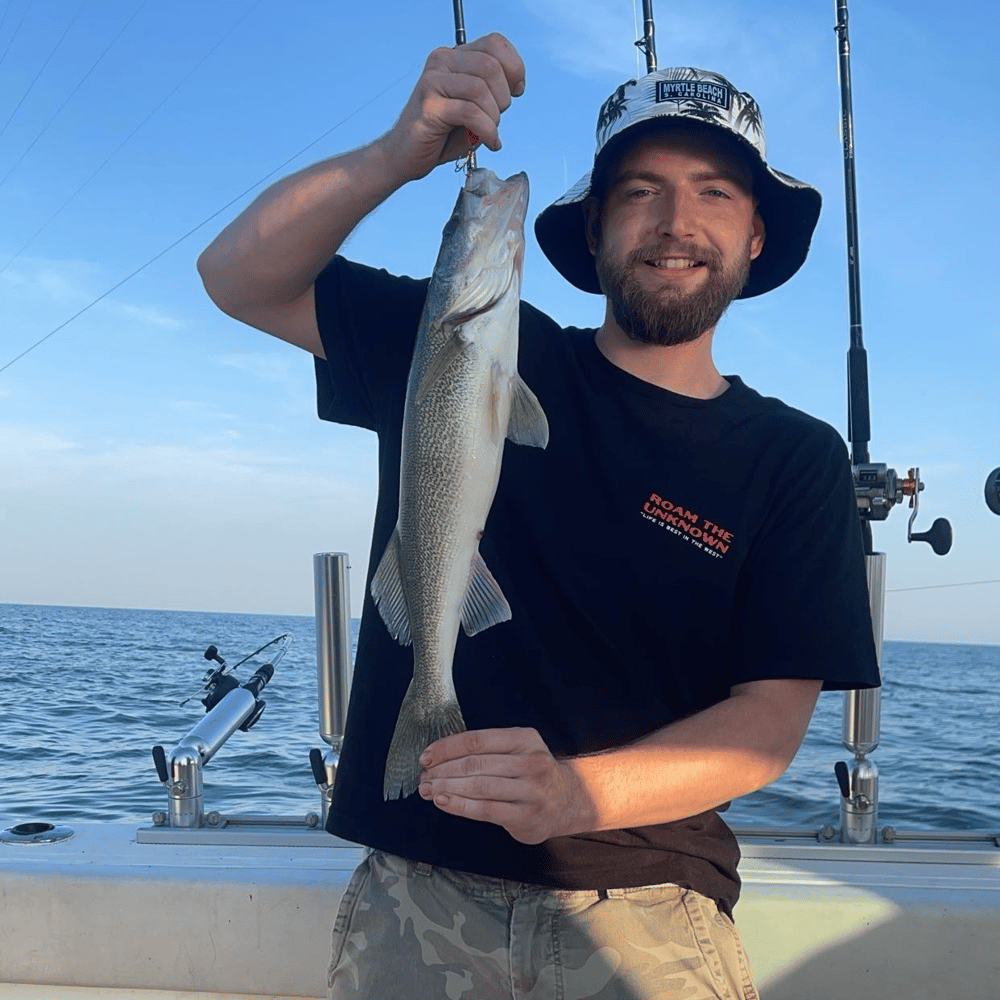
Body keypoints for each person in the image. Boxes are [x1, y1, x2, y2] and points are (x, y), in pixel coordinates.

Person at [198, 33, 880, 1000]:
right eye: (641, 190)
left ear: (756, 234)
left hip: (654, 902)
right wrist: (401, 150)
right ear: (594, 227)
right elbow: (239, 276)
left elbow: (767, 727)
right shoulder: (462, 341)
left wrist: (574, 792)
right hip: (418, 888)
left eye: (715, 191)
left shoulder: (796, 459)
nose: (675, 220)